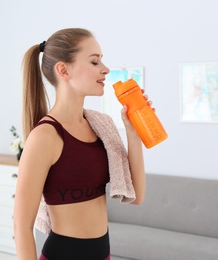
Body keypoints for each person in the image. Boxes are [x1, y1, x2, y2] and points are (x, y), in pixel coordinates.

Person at [14, 28, 151, 260]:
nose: (105, 69)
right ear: (63, 70)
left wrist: (133, 132)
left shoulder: (100, 126)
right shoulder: (45, 136)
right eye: (95, 62)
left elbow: (137, 195)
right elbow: (21, 226)